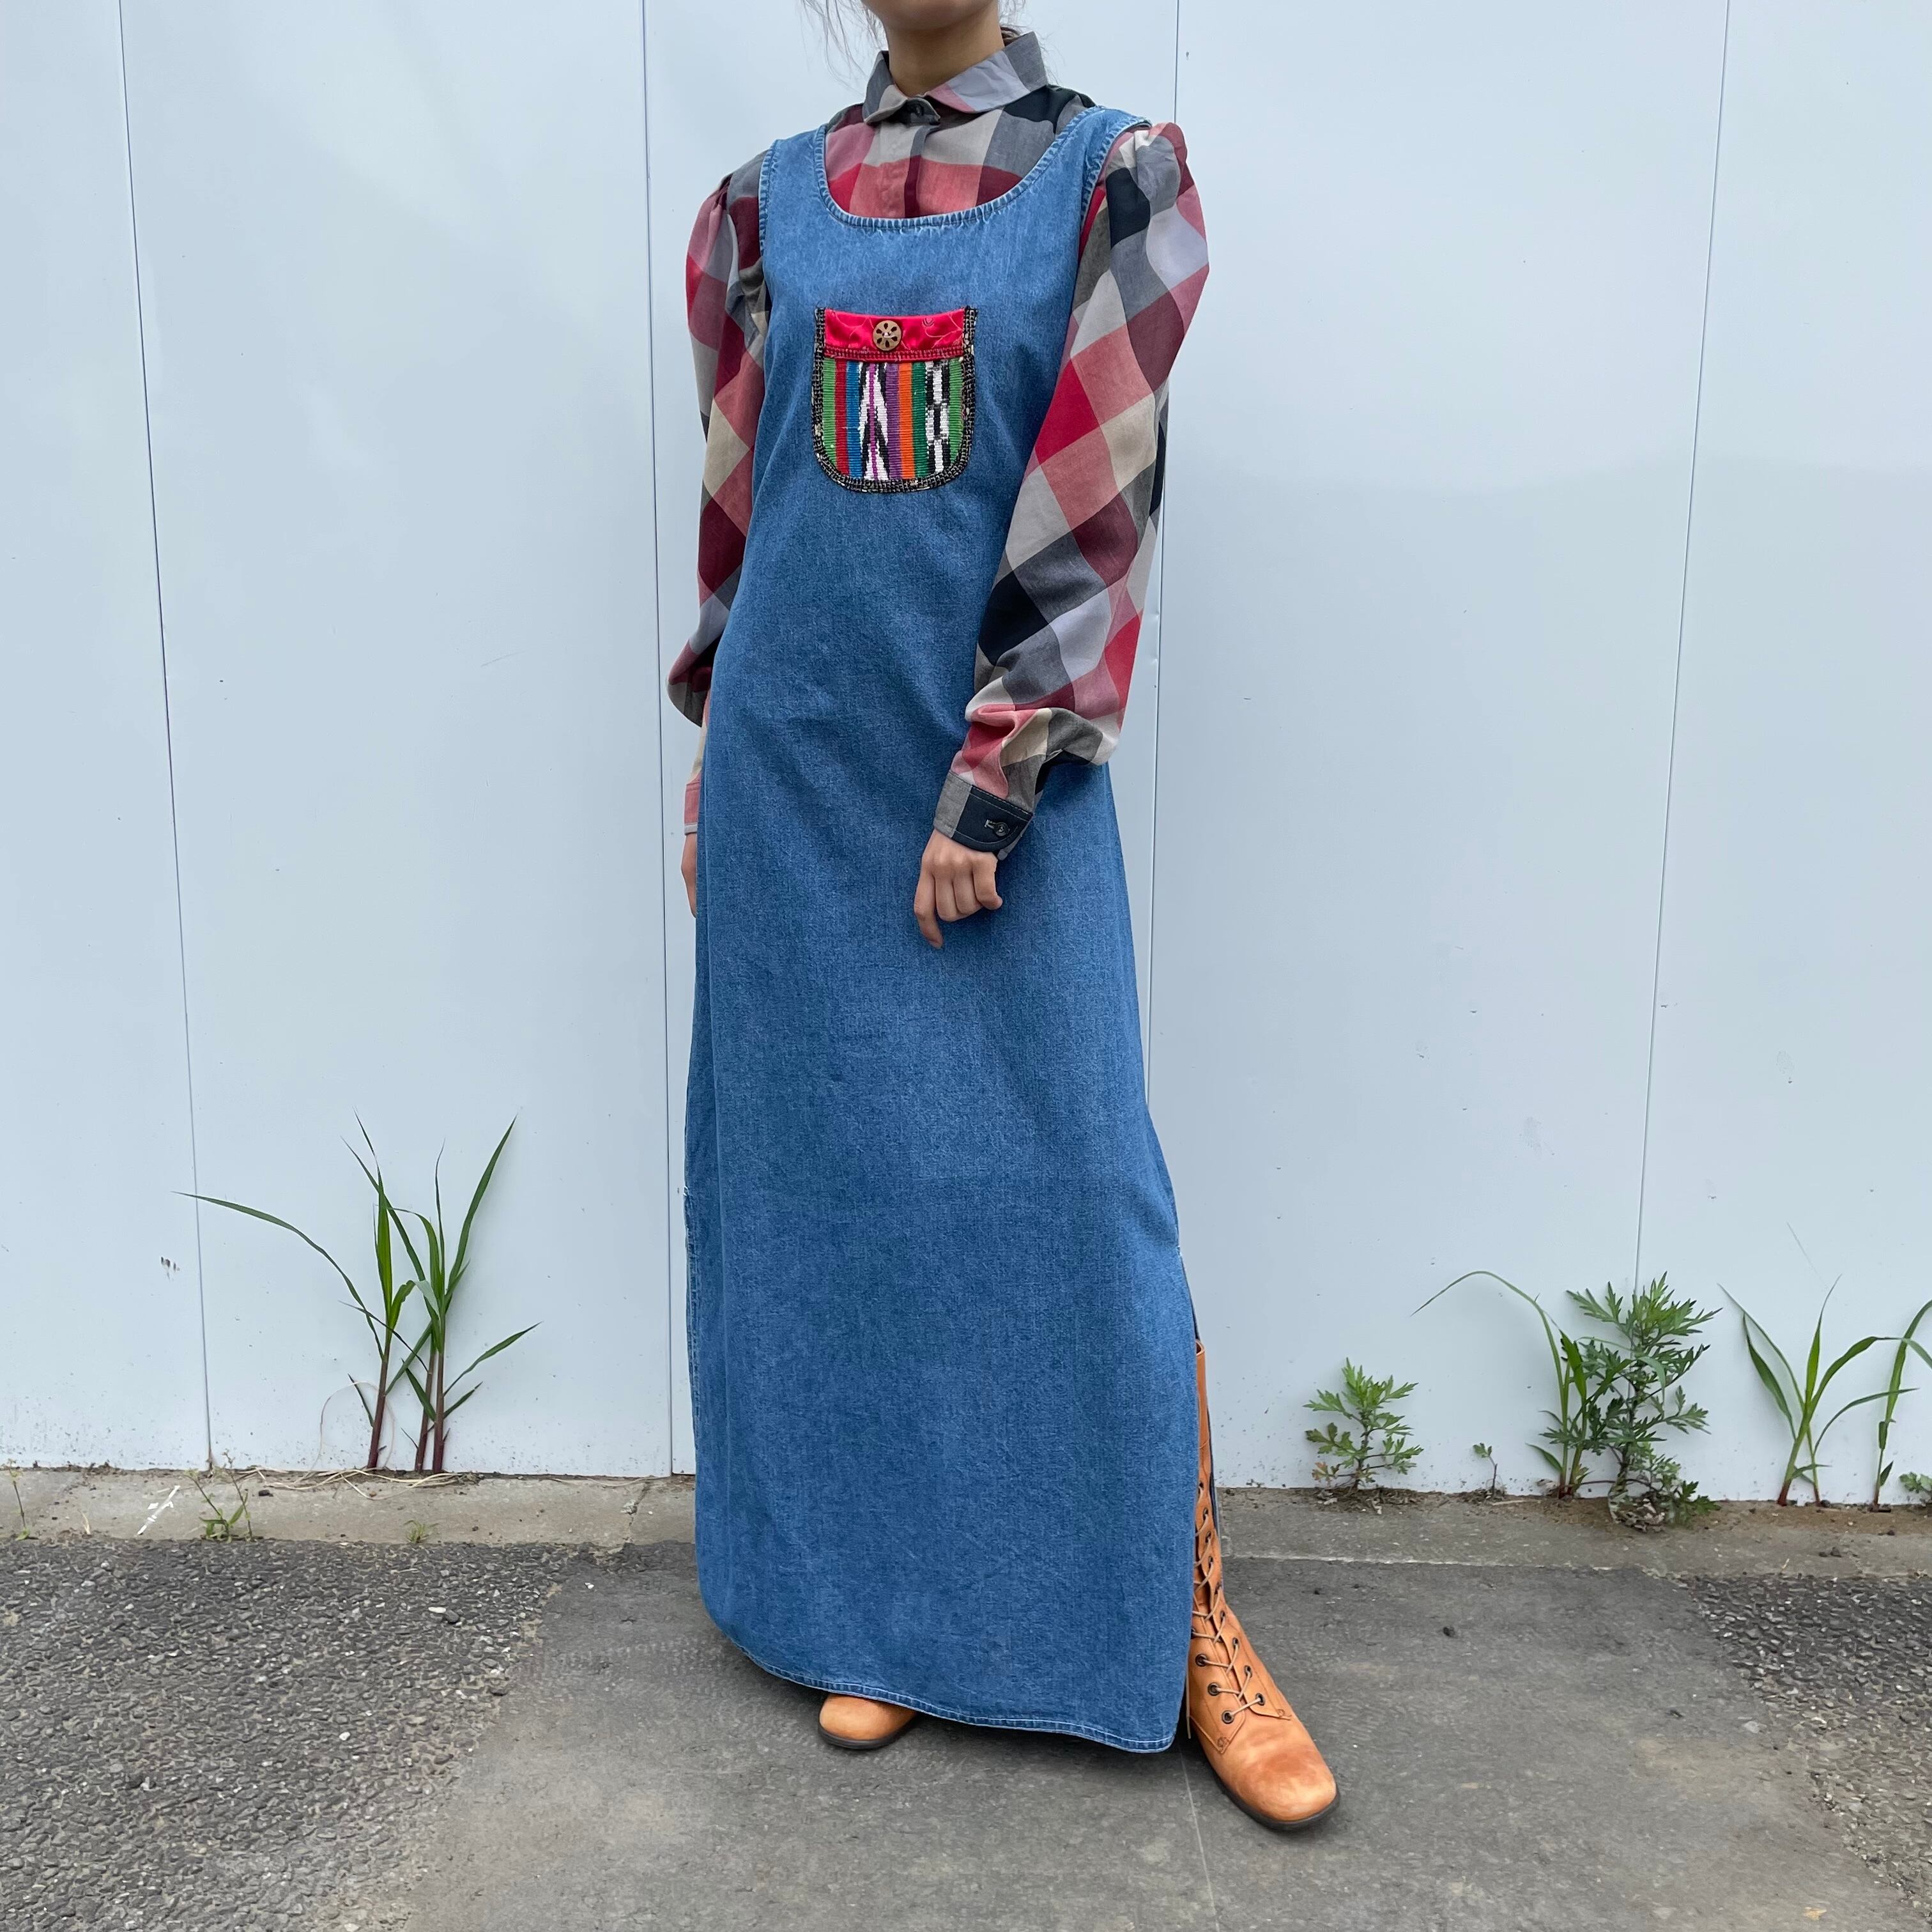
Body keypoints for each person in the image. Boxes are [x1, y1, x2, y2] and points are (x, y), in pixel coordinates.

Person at [667, 0, 1337, 1832]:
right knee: (840, 1197)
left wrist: (998, 766)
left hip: (996, 779)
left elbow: (1096, 508)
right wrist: (716, 761)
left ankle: (1183, 1617)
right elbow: (739, 518)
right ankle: (886, 1608)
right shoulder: (761, 207)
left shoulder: (1113, 181)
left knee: (1079, 1186)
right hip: (798, 776)